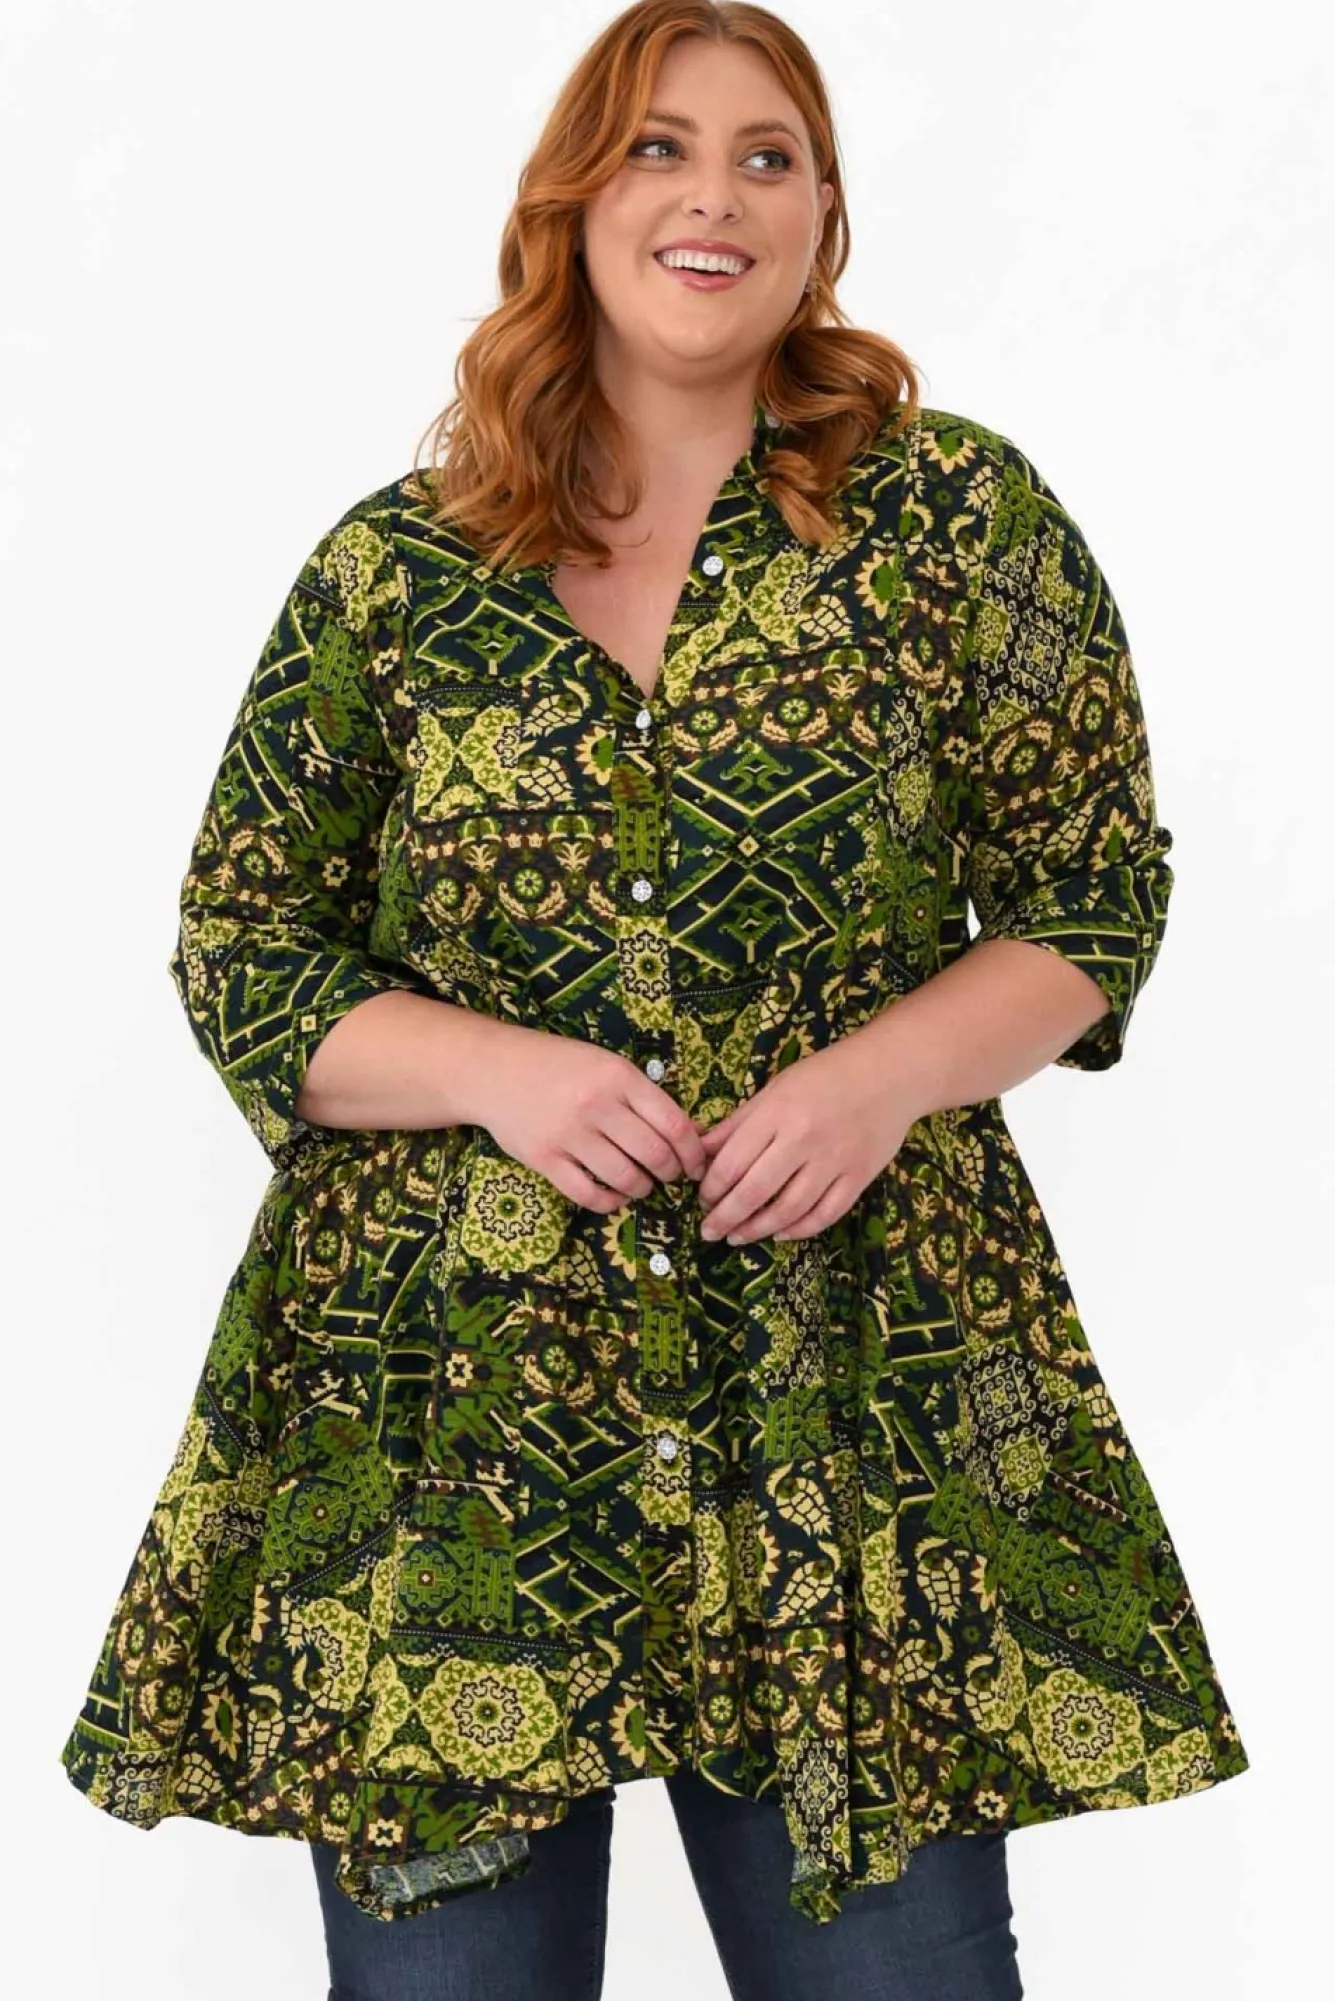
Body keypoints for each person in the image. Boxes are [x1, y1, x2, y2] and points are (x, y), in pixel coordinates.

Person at [58, 4, 1250, 1997]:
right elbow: (243, 941)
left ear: (823, 216)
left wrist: (878, 1079)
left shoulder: (953, 523)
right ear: (573, 201)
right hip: (449, 1431)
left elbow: (1092, 890)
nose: (714, 195)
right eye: (657, 148)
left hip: (848, 1406)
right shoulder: (397, 570)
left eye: (766, 155)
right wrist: (497, 1071)